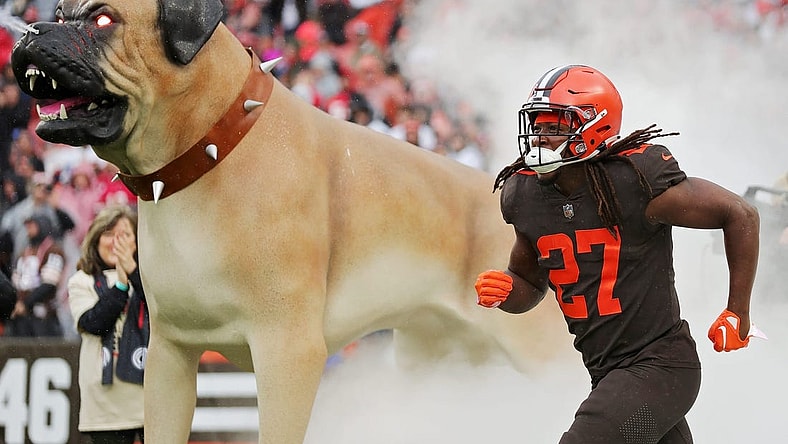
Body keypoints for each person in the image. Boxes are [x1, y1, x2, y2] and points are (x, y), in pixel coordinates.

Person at [475, 65, 762, 444]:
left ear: (594, 125)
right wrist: (508, 291)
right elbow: (529, 282)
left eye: (554, 126)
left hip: (660, 366)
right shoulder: (526, 195)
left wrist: (738, 311)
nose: (540, 137)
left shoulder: (633, 181)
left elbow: (739, 214)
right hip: (608, 374)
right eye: (537, 125)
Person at [67, 205, 148, 444]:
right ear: (96, 239)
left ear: (137, 241)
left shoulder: (150, 278)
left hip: (150, 398)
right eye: (109, 234)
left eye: (125, 235)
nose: (116, 242)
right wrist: (121, 285)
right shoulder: (81, 281)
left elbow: (162, 310)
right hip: (105, 404)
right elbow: (94, 323)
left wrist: (133, 273)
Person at [5, 215, 66, 337]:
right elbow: (16, 282)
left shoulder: (53, 251)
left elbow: (49, 284)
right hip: (21, 315)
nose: (28, 230)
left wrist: (26, 303)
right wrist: (16, 303)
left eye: (32, 226)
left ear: (42, 226)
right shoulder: (24, 252)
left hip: (43, 315)